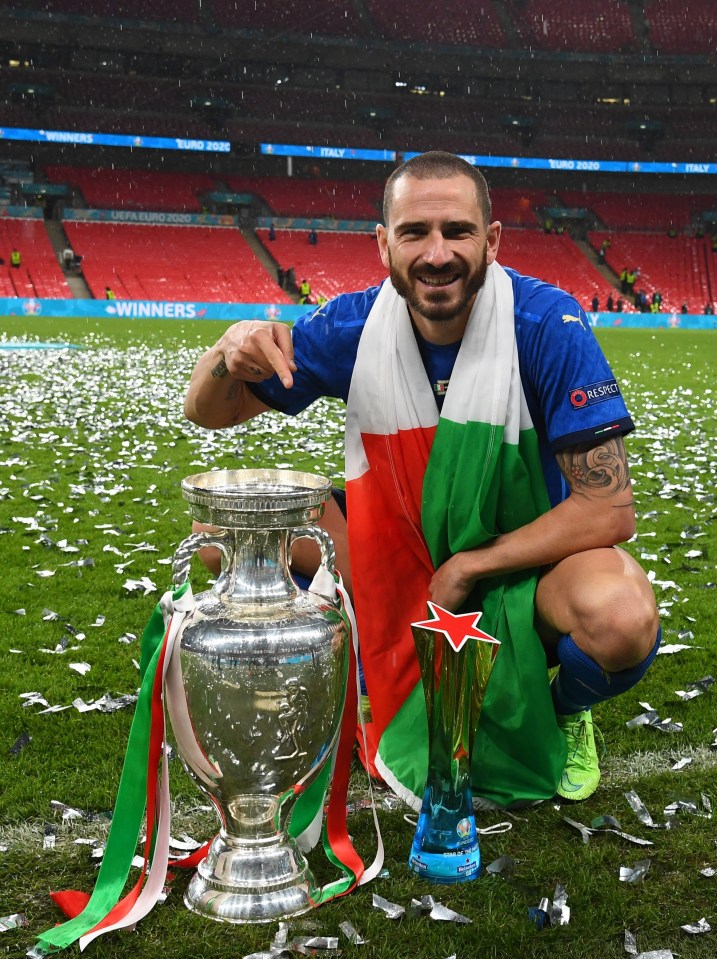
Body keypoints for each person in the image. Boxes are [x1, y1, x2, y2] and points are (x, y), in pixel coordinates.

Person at [184, 151, 660, 809]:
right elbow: (210, 411)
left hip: (519, 564)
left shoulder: (546, 324)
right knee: (220, 534)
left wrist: (470, 564)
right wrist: (225, 349)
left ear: (490, 240)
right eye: (414, 233)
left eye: (456, 231)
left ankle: (561, 711)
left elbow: (608, 511)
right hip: (399, 550)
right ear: (384, 244)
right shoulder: (354, 326)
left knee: (621, 616)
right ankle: (371, 674)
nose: (436, 253)